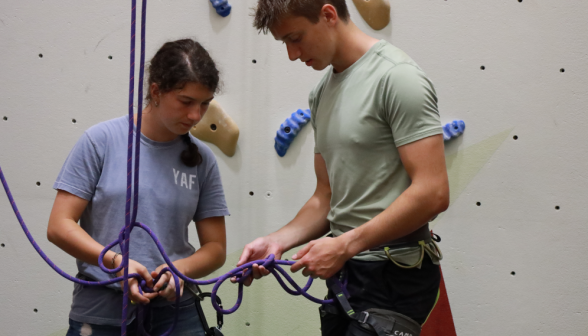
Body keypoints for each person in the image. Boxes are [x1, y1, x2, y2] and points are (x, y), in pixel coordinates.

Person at [236, 1, 450, 335]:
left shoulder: (397, 78)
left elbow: (433, 193)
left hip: (395, 275)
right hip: (347, 273)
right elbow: (326, 196)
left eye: (296, 38)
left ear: (328, 15)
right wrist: (277, 241)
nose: (293, 54)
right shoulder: (321, 93)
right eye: (285, 44)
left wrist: (345, 244)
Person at [47, 39, 229, 336]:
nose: (196, 116)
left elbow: (216, 249)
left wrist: (179, 270)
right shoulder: (101, 141)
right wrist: (117, 263)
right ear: (155, 91)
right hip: (103, 312)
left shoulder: (202, 160)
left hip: (176, 312)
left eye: (204, 104)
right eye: (186, 102)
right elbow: (59, 225)